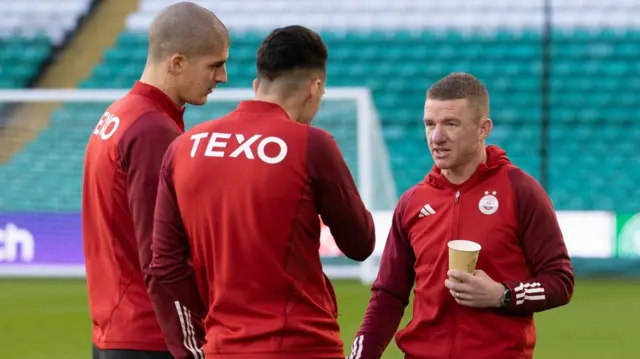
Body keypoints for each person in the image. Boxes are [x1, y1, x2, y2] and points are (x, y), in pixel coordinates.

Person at [148, 25, 376, 359]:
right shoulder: (311, 145)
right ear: (314, 89)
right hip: (303, 344)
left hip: (222, 346)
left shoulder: (185, 147)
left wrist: (216, 324)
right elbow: (360, 244)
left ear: (257, 86)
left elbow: (165, 264)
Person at [347, 73, 575, 359]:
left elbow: (560, 282)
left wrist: (502, 295)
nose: (436, 137)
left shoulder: (520, 191)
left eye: (451, 124)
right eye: (430, 124)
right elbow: (388, 294)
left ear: (483, 128)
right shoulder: (413, 202)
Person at [81, 2, 229, 359]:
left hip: (115, 330)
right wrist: (190, 345)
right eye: (214, 65)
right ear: (177, 62)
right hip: (152, 337)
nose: (222, 77)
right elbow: (161, 259)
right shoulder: (152, 132)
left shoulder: (119, 114)